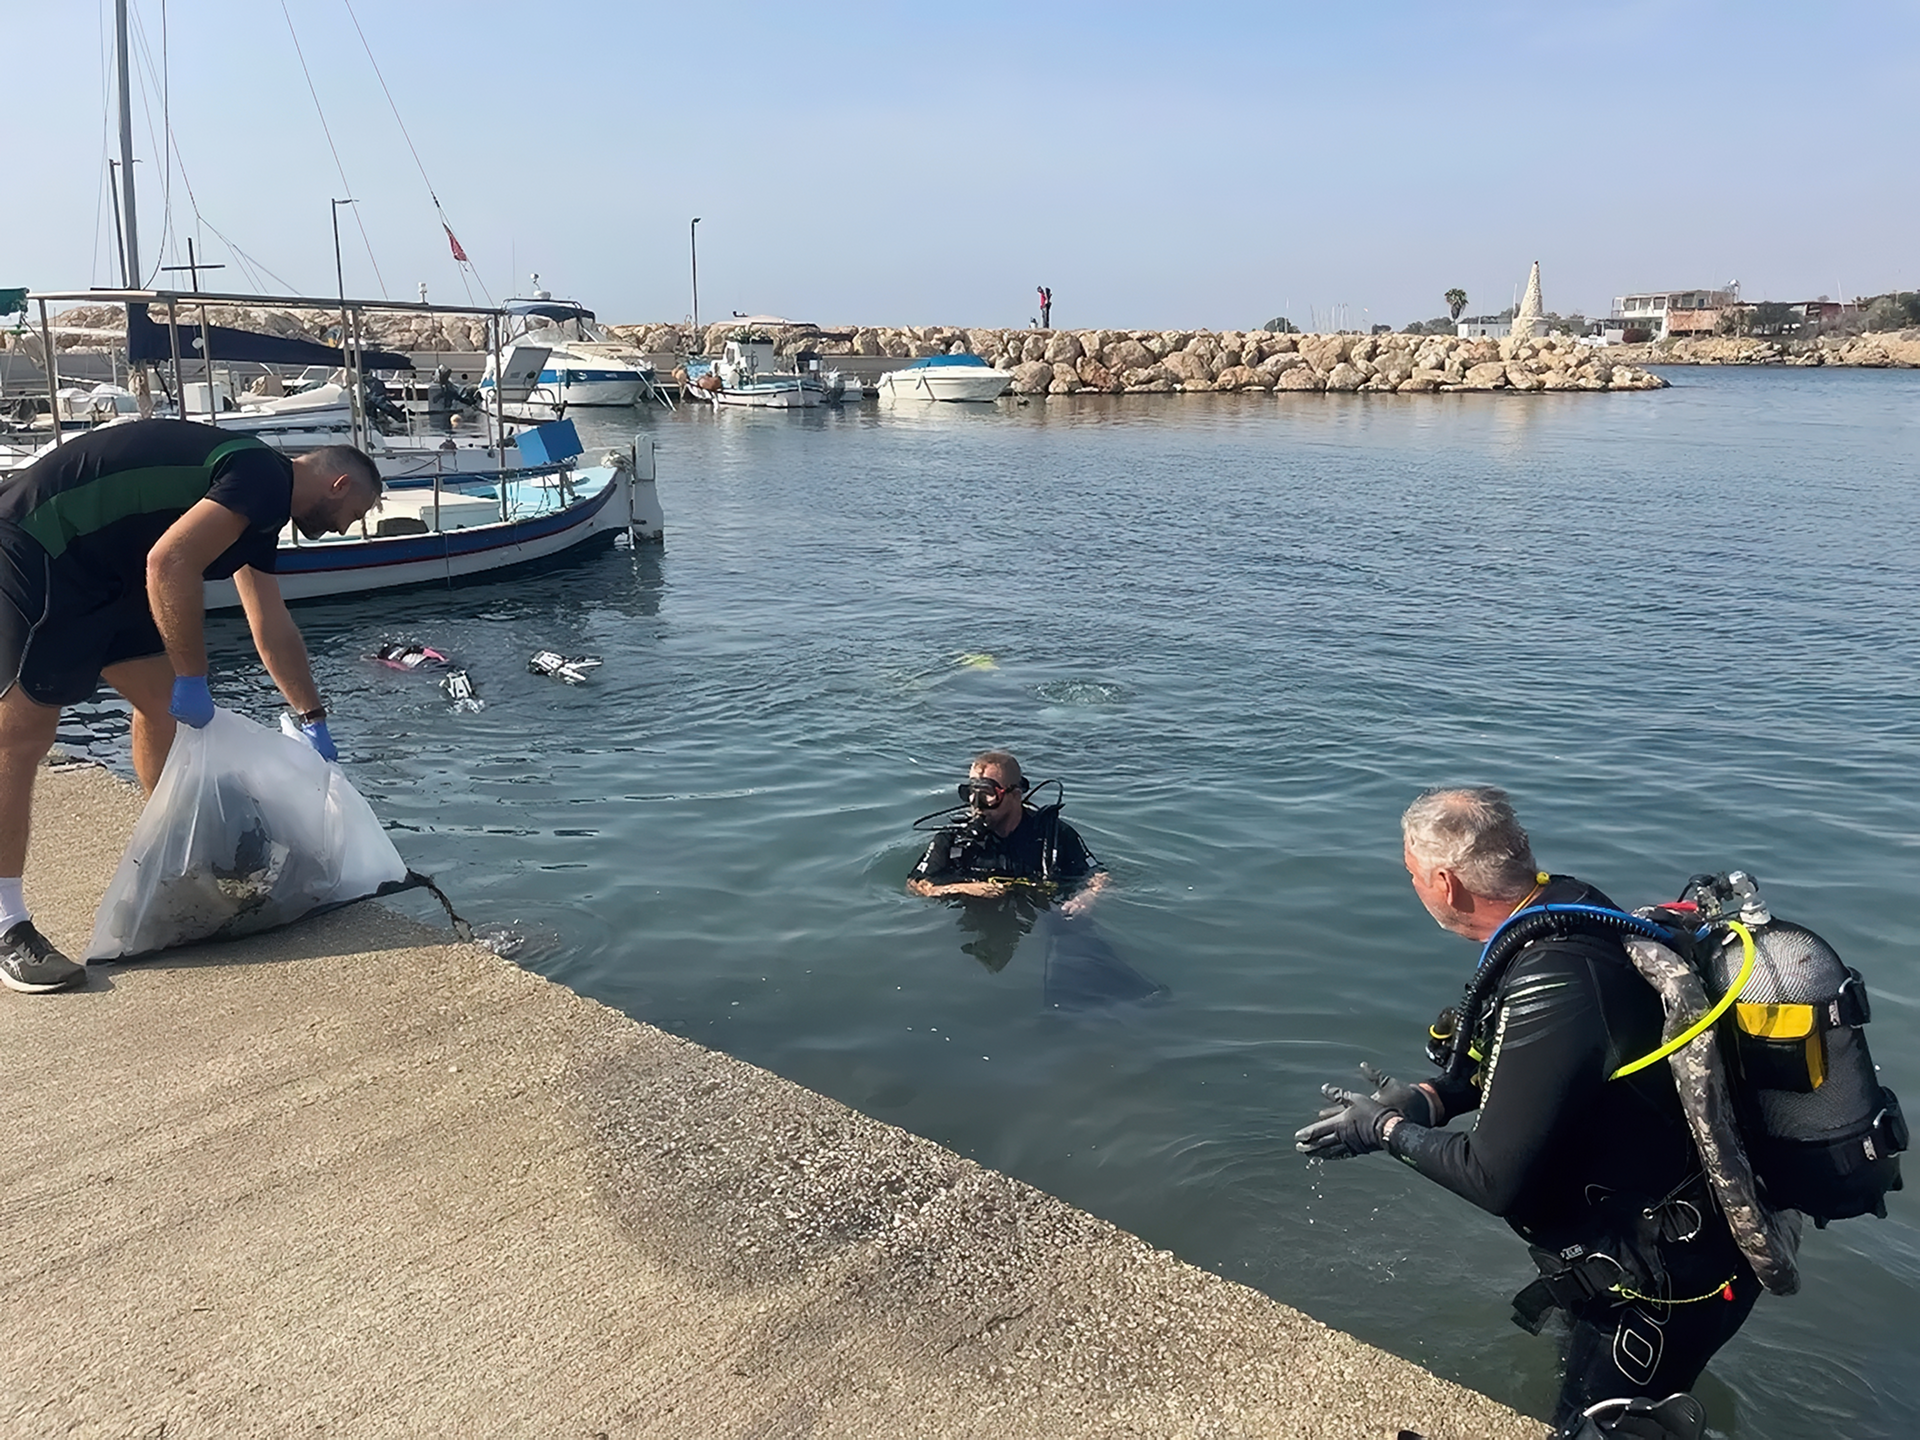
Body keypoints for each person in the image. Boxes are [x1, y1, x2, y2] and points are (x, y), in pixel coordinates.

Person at [1294, 787, 1760, 1435]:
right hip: (1642, 1255)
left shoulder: (1556, 975)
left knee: (1590, 1426)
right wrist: (1430, 1097)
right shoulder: (1568, 908)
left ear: (1444, 882)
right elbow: (1540, 1070)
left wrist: (1386, 1129)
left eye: (1410, 876)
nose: (1414, 888)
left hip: (1662, 1286)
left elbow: (1493, 1177)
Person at [0, 418, 382, 995]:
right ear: (340, 486)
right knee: (21, 736)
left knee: (165, 712)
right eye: (354, 515)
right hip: (42, 543)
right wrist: (193, 676)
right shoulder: (257, 475)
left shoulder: (262, 508)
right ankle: (6, 924)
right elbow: (169, 564)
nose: (342, 529)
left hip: (107, 567)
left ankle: (171, 863)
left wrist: (313, 719)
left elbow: (269, 623)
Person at [907, 749, 1107, 917]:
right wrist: (962, 888)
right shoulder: (953, 840)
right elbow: (915, 884)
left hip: (1046, 914)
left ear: (1015, 795)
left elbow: (1099, 875)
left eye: (987, 795)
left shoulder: (1054, 834)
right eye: (971, 793)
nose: (977, 805)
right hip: (973, 918)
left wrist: (1088, 897)